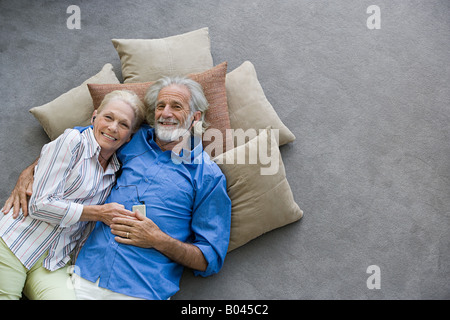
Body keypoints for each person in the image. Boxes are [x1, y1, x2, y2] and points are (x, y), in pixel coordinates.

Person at [3, 76, 232, 300]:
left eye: (176, 106)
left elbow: (208, 259)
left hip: (142, 289)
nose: (166, 113)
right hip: (82, 276)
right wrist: (30, 171)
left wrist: (157, 239)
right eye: (160, 106)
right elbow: (84, 138)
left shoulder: (208, 177)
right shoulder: (133, 138)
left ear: (195, 117)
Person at [0, 90, 146, 300]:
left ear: (130, 136)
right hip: (15, 242)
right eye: (108, 117)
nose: (113, 127)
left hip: (51, 263)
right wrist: (98, 212)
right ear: (94, 117)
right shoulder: (73, 141)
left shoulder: (114, 174)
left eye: (123, 124)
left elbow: (83, 231)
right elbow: (39, 205)